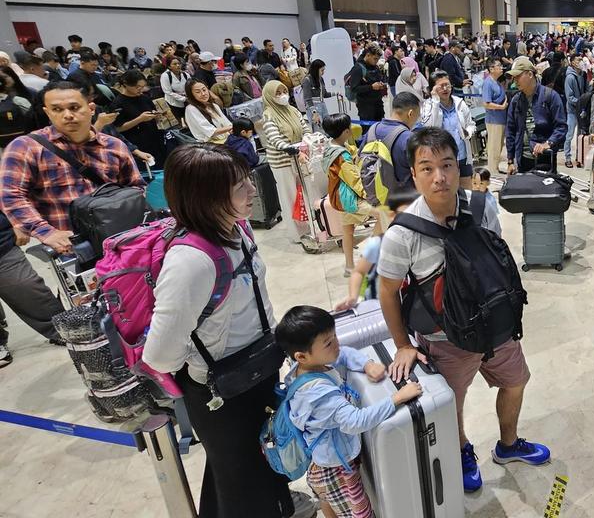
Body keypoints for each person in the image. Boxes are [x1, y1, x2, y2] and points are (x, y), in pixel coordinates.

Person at [141, 144, 314, 518]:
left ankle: (278, 506)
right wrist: (202, 363)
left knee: (256, 460)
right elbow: (158, 355)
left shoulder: (236, 228)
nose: (253, 190)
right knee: (241, 478)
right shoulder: (190, 262)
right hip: (221, 393)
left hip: (256, 369)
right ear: (207, 198)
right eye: (240, 186)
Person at [376, 127, 551, 494]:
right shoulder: (401, 234)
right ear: (412, 172)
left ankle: (509, 444)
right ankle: (462, 450)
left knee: (516, 382)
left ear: (459, 167)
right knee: (451, 404)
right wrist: (403, 344)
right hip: (445, 338)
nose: (439, 177)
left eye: (447, 165)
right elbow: (388, 291)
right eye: (427, 168)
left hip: (495, 327)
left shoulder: (483, 207)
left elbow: (497, 262)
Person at [278, 305, 423, 518]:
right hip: (337, 472)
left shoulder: (309, 366)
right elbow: (355, 421)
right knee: (359, 513)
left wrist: (365, 363)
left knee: (327, 500)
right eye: (328, 342)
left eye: (334, 336)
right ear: (301, 356)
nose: (337, 343)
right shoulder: (318, 395)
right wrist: (397, 398)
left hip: (323, 460)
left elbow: (343, 354)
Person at [0, 81, 144, 255]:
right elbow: (10, 195)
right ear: (47, 112)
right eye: (57, 110)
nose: (67, 115)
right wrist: (46, 232)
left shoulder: (114, 146)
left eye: (74, 107)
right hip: (68, 246)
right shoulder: (26, 147)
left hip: (119, 240)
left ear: (91, 108)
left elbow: (136, 187)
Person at [0, 208, 68, 365]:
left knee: (25, 286)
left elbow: (7, 191)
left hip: (2, 247)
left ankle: (63, 330)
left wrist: (17, 223)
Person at [321, 113, 383, 275]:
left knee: (347, 231)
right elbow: (354, 180)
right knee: (385, 215)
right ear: (345, 131)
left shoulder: (333, 147)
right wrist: (370, 195)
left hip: (339, 197)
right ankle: (369, 258)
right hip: (349, 198)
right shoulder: (340, 156)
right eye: (348, 127)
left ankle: (349, 266)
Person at [335, 191, 418, 312]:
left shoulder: (424, 241)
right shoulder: (378, 244)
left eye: (415, 215)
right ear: (391, 215)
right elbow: (358, 271)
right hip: (379, 306)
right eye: (403, 215)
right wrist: (353, 296)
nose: (409, 221)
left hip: (412, 305)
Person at [260, 80, 317, 253]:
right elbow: (274, 139)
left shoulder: (292, 110)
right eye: (278, 93)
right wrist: (291, 148)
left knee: (305, 194)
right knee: (290, 196)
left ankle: (310, 226)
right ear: (270, 96)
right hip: (283, 162)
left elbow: (305, 127)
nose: (282, 95)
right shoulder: (269, 115)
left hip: (300, 157)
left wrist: (306, 141)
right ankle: (297, 233)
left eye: (284, 91)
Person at [505, 56, 567, 175]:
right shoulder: (515, 101)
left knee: (544, 192)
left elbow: (561, 126)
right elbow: (511, 132)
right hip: (522, 159)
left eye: (518, 76)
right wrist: (510, 161)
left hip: (545, 158)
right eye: (514, 78)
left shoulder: (550, 96)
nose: (515, 81)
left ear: (529, 74)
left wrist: (547, 144)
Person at [419, 71, 477, 189]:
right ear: (433, 88)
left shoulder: (459, 103)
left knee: (467, 193)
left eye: (448, 85)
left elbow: (471, 124)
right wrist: (435, 102)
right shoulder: (428, 105)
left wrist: (468, 132)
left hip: (462, 156)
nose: (445, 89)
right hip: (441, 158)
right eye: (441, 86)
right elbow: (430, 128)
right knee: (448, 192)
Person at [360, 91, 421, 194]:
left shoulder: (372, 130)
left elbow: (360, 157)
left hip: (375, 197)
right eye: (417, 115)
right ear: (410, 114)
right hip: (403, 200)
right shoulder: (409, 138)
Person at [112, 69, 167, 168]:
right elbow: (117, 128)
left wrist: (156, 115)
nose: (140, 90)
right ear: (126, 84)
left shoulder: (145, 98)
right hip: (138, 144)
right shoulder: (118, 103)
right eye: (137, 87)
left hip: (155, 139)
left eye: (142, 87)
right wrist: (139, 119)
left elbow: (153, 112)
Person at [348, 45, 388, 131]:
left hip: (378, 104)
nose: (376, 61)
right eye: (375, 59)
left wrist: (380, 85)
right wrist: (371, 87)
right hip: (365, 107)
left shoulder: (375, 67)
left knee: (380, 129)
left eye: (377, 59)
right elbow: (354, 88)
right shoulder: (358, 68)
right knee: (368, 131)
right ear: (368, 55)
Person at [481, 59, 509, 174]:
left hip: (500, 118)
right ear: (491, 69)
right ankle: (492, 171)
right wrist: (501, 107)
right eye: (499, 66)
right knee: (494, 146)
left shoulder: (496, 82)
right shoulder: (488, 83)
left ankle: (495, 168)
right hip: (494, 119)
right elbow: (486, 103)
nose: (501, 68)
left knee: (499, 145)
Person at [184, 80, 232, 144]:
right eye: (198, 92)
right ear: (191, 95)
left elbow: (227, 123)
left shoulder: (214, 105)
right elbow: (210, 132)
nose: (203, 94)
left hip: (225, 138)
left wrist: (232, 128)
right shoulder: (191, 109)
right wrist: (231, 127)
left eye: (204, 90)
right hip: (210, 144)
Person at [562, 52, 587, 168]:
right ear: (572, 62)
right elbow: (570, 97)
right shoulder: (570, 77)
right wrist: (581, 102)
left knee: (580, 135)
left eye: (581, 59)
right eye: (578, 60)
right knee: (569, 134)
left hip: (581, 109)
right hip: (572, 110)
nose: (581, 62)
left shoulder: (582, 75)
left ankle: (579, 157)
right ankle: (567, 157)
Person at [300, 59, 333, 128]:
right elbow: (307, 98)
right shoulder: (307, 80)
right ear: (316, 70)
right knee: (318, 129)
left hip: (322, 105)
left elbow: (324, 94)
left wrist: (336, 93)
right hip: (313, 107)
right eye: (322, 70)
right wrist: (314, 113)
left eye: (324, 70)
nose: (323, 72)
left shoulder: (321, 79)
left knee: (327, 127)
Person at [160, 57, 189, 122]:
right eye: (175, 64)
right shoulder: (165, 76)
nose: (178, 65)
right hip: (173, 103)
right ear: (169, 66)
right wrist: (184, 99)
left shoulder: (185, 74)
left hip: (186, 101)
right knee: (179, 121)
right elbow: (168, 92)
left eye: (179, 63)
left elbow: (190, 86)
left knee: (188, 120)